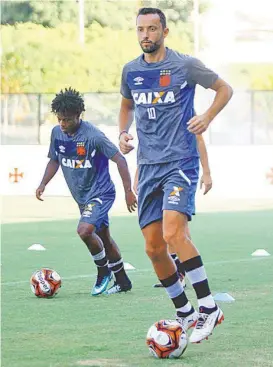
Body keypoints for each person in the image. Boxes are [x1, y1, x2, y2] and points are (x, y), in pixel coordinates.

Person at [118, 8, 233, 343]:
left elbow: (224, 88)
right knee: (153, 248)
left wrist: (208, 117)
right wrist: (123, 133)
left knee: (173, 233)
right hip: (149, 167)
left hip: (180, 162)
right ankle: (184, 312)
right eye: (141, 29)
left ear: (165, 32)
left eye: (152, 29)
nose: (146, 35)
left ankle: (210, 308)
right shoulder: (131, 71)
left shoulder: (184, 65)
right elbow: (126, 106)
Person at [36, 87, 137, 295]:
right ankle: (123, 281)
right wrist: (43, 183)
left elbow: (119, 159)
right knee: (105, 238)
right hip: (82, 197)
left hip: (101, 193)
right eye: (60, 119)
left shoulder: (93, 136)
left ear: (78, 115)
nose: (63, 124)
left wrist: (128, 191)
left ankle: (103, 271)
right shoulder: (57, 133)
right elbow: (54, 160)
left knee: (84, 231)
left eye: (67, 120)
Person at [132, 134, 213, 288]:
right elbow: (147, 144)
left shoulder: (181, 111)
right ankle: (178, 273)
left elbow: (198, 137)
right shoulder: (148, 116)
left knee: (176, 227)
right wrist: (139, 174)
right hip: (152, 172)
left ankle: (182, 274)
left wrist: (207, 172)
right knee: (166, 227)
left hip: (179, 169)